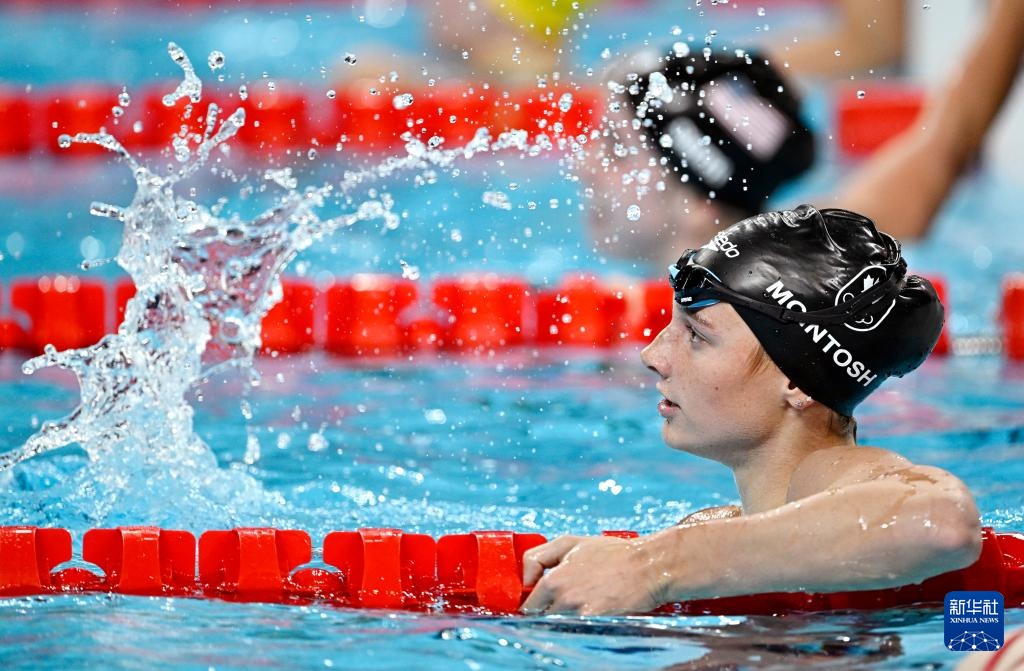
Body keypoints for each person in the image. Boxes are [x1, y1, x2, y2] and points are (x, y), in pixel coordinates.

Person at [520, 204, 982, 615]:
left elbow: (942, 523)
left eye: (697, 335)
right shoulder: (716, 531)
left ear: (797, 381)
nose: (652, 355)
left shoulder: (830, 474)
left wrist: (650, 566)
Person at [583, 0, 1024, 271]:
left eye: (617, 150)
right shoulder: (818, 253)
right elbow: (947, 142)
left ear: (700, 204)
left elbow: (952, 134)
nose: (584, 167)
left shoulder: (807, 278)